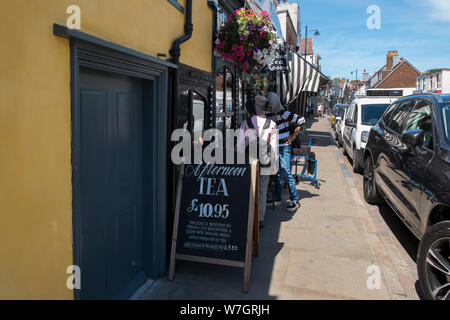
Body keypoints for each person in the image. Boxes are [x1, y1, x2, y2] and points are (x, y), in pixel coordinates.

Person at [236, 95, 278, 228]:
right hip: (265, 162)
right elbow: (274, 149)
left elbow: (240, 147)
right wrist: (274, 168)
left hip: (249, 162)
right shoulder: (272, 125)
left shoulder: (245, 123)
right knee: (262, 190)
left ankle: (247, 215)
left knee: (248, 189)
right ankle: (259, 218)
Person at [267, 91, 305, 211]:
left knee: (286, 172)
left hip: (284, 146)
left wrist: (293, 136)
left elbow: (301, 120)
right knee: (277, 173)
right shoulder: (268, 115)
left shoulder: (283, 113)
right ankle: (278, 197)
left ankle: (294, 199)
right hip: (274, 147)